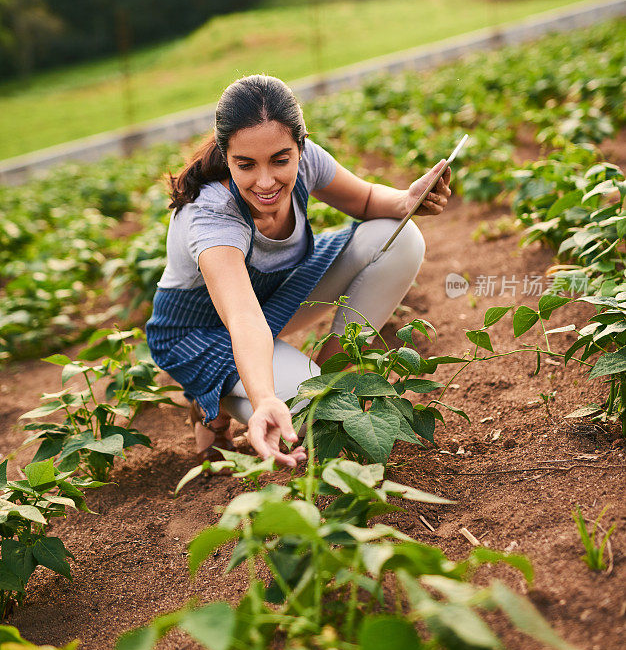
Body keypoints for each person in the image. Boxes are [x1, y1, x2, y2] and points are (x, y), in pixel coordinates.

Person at [146, 74, 451, 470]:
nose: (266, 181)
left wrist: (407, 199)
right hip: (199, 332)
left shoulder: (308, 162)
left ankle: (331, 371)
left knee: (400, 236)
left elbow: (368, 200)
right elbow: (242, 318)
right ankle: (216, 396)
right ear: (226, 155)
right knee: (312, 409)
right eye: (246, 165)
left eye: (280, 160)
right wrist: (265, 400)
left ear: (300, 146)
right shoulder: (213, 217)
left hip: (275, 297)